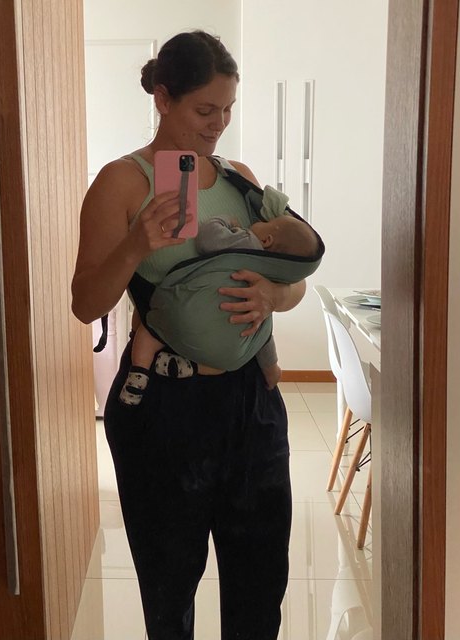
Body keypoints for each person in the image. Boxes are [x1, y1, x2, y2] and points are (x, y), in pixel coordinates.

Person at [71, 30, 307, 640]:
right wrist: (135, 244)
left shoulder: (240, 179)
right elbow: (85, 303)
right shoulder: (121, 183)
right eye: (205, 110)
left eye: (227, 109)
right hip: (163, 407)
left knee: (260, 587)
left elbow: (295, 282)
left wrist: (273, 295)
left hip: (251, 404)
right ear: (163, 98)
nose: (218, 124)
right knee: (169, 587)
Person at [120, 213, 319, 405]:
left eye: (266, 221)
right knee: (251, 338)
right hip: (228, 343)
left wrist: (226, 220)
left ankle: (139, 371)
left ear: (267, 240)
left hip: (186, 313)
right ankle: (193, 367)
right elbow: (265, 337)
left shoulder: (248, 241)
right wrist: (271, 367)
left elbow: (208, 238)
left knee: (150, 332)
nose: (259, 220)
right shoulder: (275, 275)